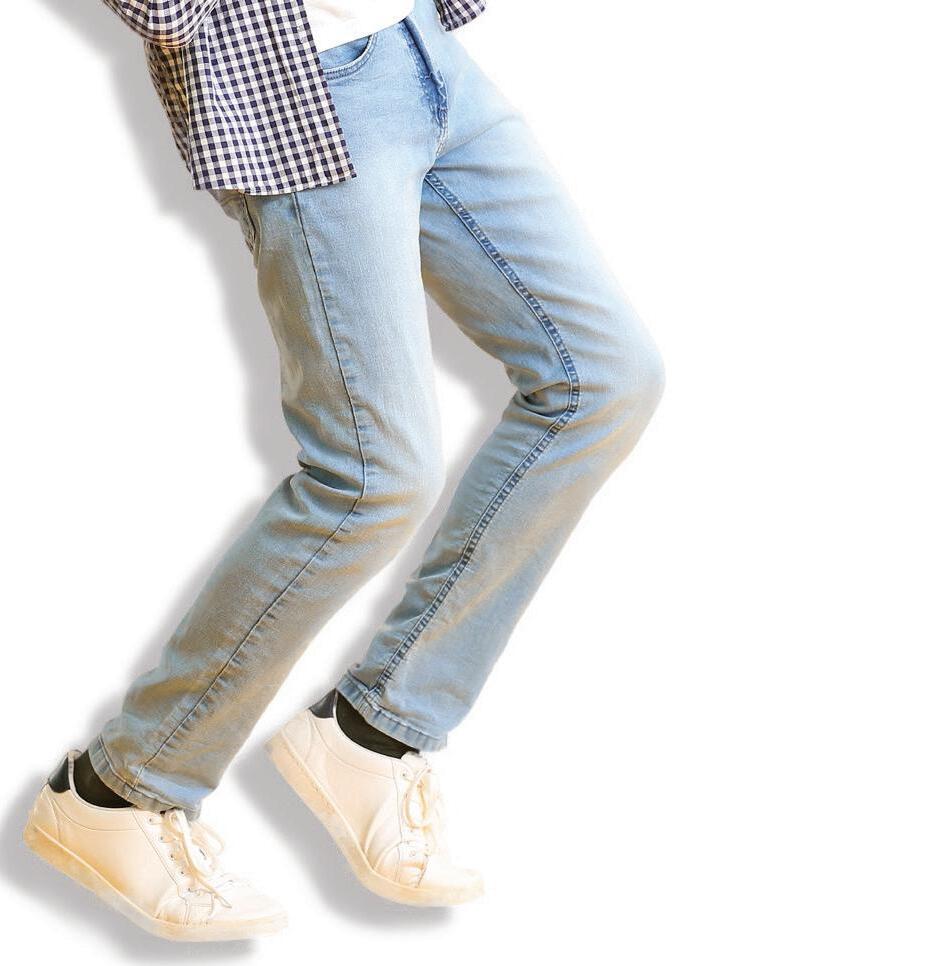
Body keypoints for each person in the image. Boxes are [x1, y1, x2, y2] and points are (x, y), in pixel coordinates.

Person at [23, 0, 665, 940]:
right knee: (370, 475)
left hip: (421, 53)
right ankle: (119, 790)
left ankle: (374, 732)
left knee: (605, 379)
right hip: (302, 93)